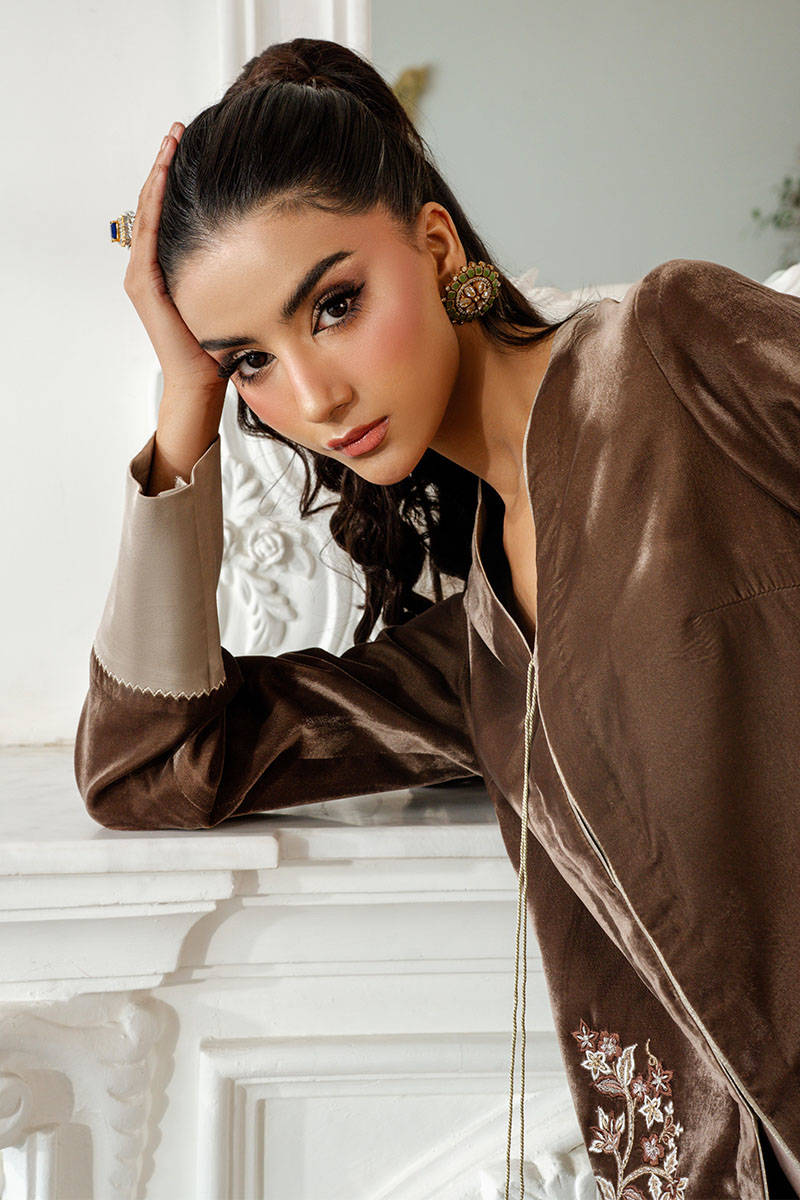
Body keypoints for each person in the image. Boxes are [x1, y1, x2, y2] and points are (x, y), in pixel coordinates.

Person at [78, 37, 800, 1200]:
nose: (313, 397)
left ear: (434, 245)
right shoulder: (478, 654)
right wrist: (185, 400)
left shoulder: (672, 353)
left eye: (336, 305)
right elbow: (151, 761)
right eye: (250, 360)